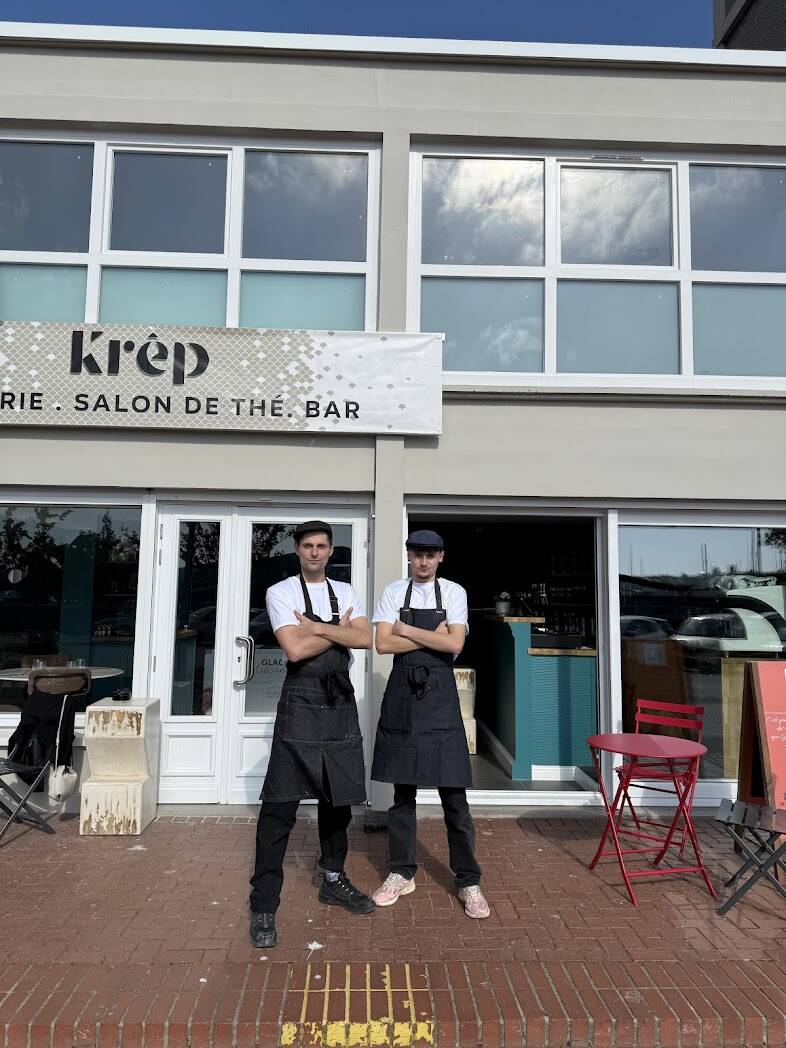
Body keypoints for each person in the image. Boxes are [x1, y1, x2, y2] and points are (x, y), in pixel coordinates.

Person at [249, 520, 375, 949]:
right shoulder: (280, 592)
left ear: (331, 550)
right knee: (279, 806)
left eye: (322, 546)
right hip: (300, 703)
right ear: (298, 550)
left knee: (338, 801)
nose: (315, 552)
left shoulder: (347, 590)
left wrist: (317, 627)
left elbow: (366, 638)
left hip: (339, 704)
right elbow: (295, 649)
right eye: (308, 546)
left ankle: (333, 879)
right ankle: (263, 903)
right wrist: (339, 630)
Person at [369, 529, 490, 919]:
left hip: (440, 701)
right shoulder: (393, 591)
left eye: (430, 554)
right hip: (403, 698)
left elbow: (455, 645)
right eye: (417, 554)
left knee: (454, 796)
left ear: (441, 557)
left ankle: (468, 880)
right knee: (402, 794)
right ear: (408, 556)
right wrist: (429, 637)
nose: (423, 561)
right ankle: (401, 872)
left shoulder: (454, 592)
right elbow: (383, 644)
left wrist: (405, 629)